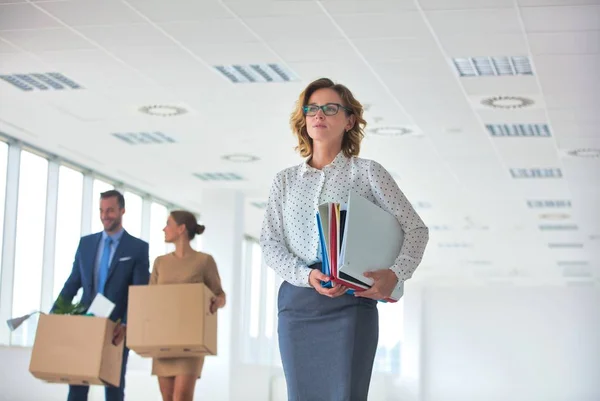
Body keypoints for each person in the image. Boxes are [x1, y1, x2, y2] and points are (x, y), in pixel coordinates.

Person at [259, 77, 429, 401]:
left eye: (329, 108)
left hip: (351, 302)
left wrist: (395, 274)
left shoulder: (367, 173)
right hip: (298, 304)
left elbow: (416, 230)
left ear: (349, 120)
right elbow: (270, 243)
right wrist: (307, 276)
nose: (318, 115)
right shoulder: (284, 181)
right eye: (311, 109)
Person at [53, 189, 151, 401]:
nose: (105, 215)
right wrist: (54, 315)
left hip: (116, 328)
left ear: (122, 210)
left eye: (110, 210)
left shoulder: (137, 248)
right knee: (77, 386)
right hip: (85, 324)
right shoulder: (86, 244)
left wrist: (126, 324)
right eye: (101, 210)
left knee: (113, 388)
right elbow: (73, 283)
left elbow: (139, 293)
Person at [149, 210, 226, 401]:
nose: (164, 229)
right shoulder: (160, 262)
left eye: (168, 224)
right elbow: (149, 298)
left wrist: (217, 302)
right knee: (167, 398)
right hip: (163, 339)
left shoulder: (204, 261)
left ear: (181, 229)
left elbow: (220, 294)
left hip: (190, 341)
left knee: (181, 397)